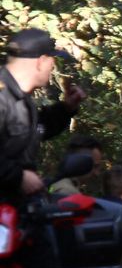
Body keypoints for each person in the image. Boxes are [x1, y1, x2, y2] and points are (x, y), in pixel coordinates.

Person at [0, 28, 87, 202]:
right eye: (52, 59)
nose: (53, 66)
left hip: (14, 210)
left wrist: (66, 108)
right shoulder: (2, 97)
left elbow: (35, 129)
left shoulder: (22, 98)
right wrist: (19, 176)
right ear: (40, 62)